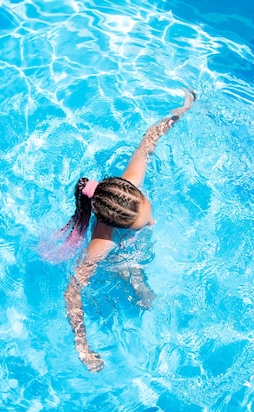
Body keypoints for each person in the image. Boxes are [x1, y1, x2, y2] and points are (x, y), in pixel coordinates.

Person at [61, 89, 197, 372]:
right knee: (128, 269)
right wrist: (83, 348)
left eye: (146, 211)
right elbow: (71, 292)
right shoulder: (102, 243)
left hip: (125, 236)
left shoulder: (132, 180)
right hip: (119, 256)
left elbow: (150, 137)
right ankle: (136, 282)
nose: (152, 222)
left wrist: (183, 110)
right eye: (143, 223)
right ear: (115, 226)